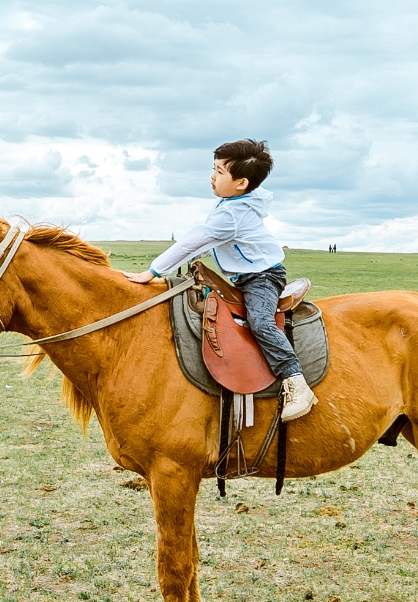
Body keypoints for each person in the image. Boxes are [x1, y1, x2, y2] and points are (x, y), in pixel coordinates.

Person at [124, 139, 316, 421]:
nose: (212, 176)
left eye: (220, 172)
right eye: (213, 168)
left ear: (241, 183)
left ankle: (296, 381)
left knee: (260, 321)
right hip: (243, 276)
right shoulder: (231, 203)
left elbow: (191, 242)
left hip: (262, 278)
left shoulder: (232, 214)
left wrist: (152, 272)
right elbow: (204, 244)